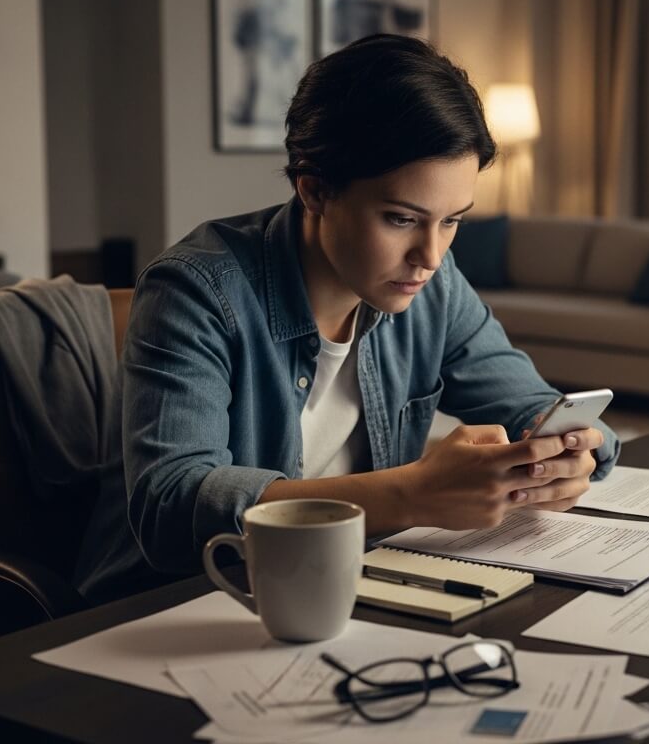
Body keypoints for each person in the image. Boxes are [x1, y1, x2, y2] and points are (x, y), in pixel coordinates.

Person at [76, 34, 619, 600]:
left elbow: (536, 406)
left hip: (332, 590)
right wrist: (411, 494)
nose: (430, 257)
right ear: (315, 191)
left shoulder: (434, 286)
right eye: (401, 219)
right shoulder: (195, 290)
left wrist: (564, 453)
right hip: (177, 604)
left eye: (453, 220)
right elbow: (171, 507)